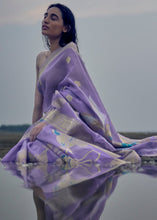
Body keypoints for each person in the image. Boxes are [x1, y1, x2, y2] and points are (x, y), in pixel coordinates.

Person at [1, 3, 157, 166]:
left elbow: (75, 94)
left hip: (68, 125)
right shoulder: (40, 58)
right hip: (44, 127)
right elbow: (38, 104)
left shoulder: (70, 52)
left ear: (66, 28)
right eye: (45, 16)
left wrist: (46, 123)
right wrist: (32, 132)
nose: (46, 20)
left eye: (53, 18)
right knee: (21, 154)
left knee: (82, 157)